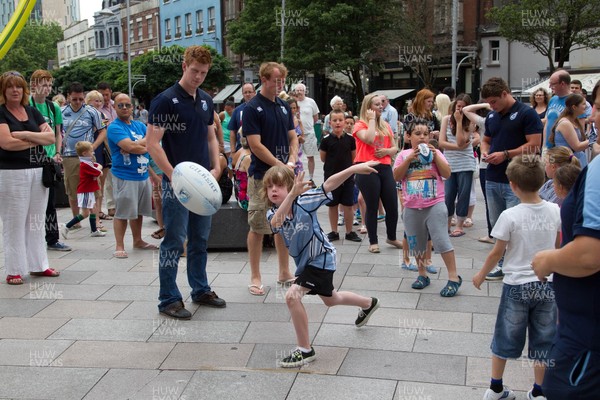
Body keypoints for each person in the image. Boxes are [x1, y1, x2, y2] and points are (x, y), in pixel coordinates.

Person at [265, 164, 381, 368]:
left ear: (291, 186)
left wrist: (353, 169)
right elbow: (276, 223)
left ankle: (305, 350)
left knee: (292, 296)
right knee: (331, 299)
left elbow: (328, 184)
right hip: (307, 263)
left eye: (279, 185)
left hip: (322, 258)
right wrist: (290, 196)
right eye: (270, 187)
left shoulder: (305, 201)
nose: (274, 190)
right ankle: (368, 303)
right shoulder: (272, 213)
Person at [473, 155, 561, 400]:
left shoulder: (509, 215)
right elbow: (556, 245)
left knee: (504, 335)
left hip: (516, 286)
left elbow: (497, 251)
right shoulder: (555, 210)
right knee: (543, 340)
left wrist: (481, 275)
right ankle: (539, 391)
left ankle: (496, 388)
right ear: (542, 179)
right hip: (546, 285)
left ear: (512, 185)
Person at [147, 45, 226, 319]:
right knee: (173, 240)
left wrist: (216, 165)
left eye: (203, 73)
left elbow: (210, 136)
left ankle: (200, 289)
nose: (198, 77)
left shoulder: (205, 100)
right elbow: (152, 143)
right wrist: (172, 175)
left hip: (202, 181)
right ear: (184, 66)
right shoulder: (165, 100)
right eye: (194, 71)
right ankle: (168, 298)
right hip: (176, 182)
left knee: (200, 239)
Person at [532, 117, 600, 398]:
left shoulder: (596, 170)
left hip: (586, 337)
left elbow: (589, 255)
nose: (592, 117)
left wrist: (548, 260)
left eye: (597, 107)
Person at [241, 62, 299, 296]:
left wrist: (292, 161)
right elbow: (255, 145)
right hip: (261, 177)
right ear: (263, 80)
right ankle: (255, 276)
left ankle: (284, 271)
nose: (280, 85)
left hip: (283, 174)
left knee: (283, 223)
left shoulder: (284, 106)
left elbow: (293, 137)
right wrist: (280, 165)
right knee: (258, 226)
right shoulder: (253, 108)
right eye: (276, 80)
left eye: (282, 80)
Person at [480, 77, 543, 280]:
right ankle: (502, 262)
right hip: (493, 176)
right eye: (489, 102)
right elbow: (486, 140)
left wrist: (506, 154)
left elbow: (534, 145)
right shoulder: (492, 116)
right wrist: (485, 150)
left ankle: (521, 264)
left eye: (494, 101)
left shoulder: (527, 113)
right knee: (497, 224)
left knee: (518, 225)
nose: (491, 106)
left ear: (505, 94)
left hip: (518, 178)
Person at [0, 70, 59, 285]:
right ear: (3, 90)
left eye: (18, 86)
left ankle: (38, 264)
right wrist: (37, 139)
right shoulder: (1, 113)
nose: (14, 90)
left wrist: (24, 135)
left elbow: (51, 137)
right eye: (10, 86)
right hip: (11, 173)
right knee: (14, 221)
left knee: (36, 220)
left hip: (38, 171)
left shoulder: (33, 111)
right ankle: (15, 269)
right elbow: (6, 143)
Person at [393, 121, 462, 297]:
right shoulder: (403, 155)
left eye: (426, 133)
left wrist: (436, 156)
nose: (422, 136)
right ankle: (422, 274)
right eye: (417, 133)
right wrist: (408, 160)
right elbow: (397, 176)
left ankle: (453, 277)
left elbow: (447, 173)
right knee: (416, 242)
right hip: (411, 206)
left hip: (435, 204)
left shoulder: (436, 152)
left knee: (441, 240)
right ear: (409, 137)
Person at [107, 94, 156, 258]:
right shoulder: (114, 127)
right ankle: (119, 245)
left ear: (132, 107)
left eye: (127, 105)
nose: (125, 108)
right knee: (122, 212)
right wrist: (139, 146)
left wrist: (137, 146)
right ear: (115, 107)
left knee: (139, 211)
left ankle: (138, 240)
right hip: (124, 175)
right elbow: (131, 147)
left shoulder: (139, 125)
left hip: (142, 174)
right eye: (120, 105)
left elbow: (150, 142)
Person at [352, 93, 402, 253]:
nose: (380, 106)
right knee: (371, 205)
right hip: (366, 167)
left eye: (381, 103)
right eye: (376, 104)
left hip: (385, 166)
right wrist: (372, 120)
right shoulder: (359, 125)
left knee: (392, 205)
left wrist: (387, 150)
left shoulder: (386, 125)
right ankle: (373, 241)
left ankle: (391, 237)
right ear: (368, 108)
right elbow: (369, 139)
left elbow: (395, 147)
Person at [29, 69, 71, 252]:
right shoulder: (26, 106)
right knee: (32, 201)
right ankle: (32, 237)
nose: (47, 89)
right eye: (43, 85)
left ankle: (52, 238)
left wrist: (58, 152)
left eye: (49, 85)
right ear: (33, 86)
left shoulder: (53, 107)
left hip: (50, 159)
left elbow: (58, 133)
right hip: (31, 158)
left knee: (50, 201)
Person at [61, 82, 106, 229]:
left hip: (87, 157)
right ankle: (76, 220)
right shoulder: (61, 111)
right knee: (72, 188)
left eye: (81, 99)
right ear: (68, 97)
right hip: (69, 155)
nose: (78, 102)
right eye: (74, 99)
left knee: (95, 188)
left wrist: (94, 146)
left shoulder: (91, 111)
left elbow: (102, 130)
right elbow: (56, 132)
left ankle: (96, 219)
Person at [319, 109, 361, 243]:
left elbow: (353, 157)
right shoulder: (325, 140)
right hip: (331, 178)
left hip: (348, 177)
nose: (338, 123)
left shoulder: (350, 139)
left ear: (344, 122)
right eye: (335, 120)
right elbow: (323, 158)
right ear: (330, 122)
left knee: (348, 204)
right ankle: (334, 231)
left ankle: (349, 232)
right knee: (332, 205)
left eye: (340, 120)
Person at [439, 95, 477, 237]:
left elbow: (461, 141)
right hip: (449, 163)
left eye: (463, 106)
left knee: (463, 194)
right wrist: (457, 147)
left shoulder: (471, 122)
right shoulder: (446, 120)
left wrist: (460, 122)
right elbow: (442, 142)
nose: (460, 109)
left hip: (466, 163)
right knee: (448, 195)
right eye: (458, 106)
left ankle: (460, 225)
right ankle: (447, 224)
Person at [60, 141, 106, 238]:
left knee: (93, 210)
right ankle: (67, 226)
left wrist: (98, 167)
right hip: (85, 191)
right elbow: (99, 171)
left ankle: (94, 230)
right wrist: (99, 168)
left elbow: (97, 167)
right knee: (85, 213)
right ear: (85, 153)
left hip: (89, 190)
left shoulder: (87, 162)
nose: (93, 153)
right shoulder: (85, 164)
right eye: (91, 151)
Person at [85, 90, 111, 231]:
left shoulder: (103, 115)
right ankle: (92, 215)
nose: (99, 103)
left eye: (100, 100)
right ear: (88, 101)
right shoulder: (85, 114)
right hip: (90, 149)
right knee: (91, 184)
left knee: (101, 183)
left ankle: (99, 211)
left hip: (102, 149)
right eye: (96, 100)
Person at [548, 93, 589, 168]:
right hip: (568, 165)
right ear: (574, 107)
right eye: (583, 104)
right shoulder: (565, 123)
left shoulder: (574, 120)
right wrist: (594, 140)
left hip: (576, 161)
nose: (586, 106)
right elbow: (577, 146)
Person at [97, 82, 118, 219]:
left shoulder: (116, 105)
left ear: (110, 92)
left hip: (120, 140)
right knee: (109, 177)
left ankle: (120, 204)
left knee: (119, 177)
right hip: (106, 144)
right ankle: (111, 206)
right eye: (102, 94)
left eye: (106, 94)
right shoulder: (98, 109)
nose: (105, 97)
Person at [294, 83, 320, 186]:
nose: (299, 92)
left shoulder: (311, 102)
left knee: (310, 157)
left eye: (301, 90)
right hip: (296, 135)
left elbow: (315, 117)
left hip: (309, 134)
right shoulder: (294, 103)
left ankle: (311, 178)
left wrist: (308, 127)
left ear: (305, 91)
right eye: (297, 90)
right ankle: (297, 178)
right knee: (295, 157)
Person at [544, 69, 571, 149]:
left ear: (562, 84)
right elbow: (547, 123)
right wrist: (544, 146)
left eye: (552, 84)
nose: (549, 86)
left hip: (564, 150)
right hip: (548, 148)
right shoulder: (553, 99)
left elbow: (580, 127)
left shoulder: (575, 100)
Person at [228, 83, 256, 152]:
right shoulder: (237, 110)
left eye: (250, 92)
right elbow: (232, 132)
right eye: (245, 92)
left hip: (258, 149)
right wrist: (233, 151)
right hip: (241, 149)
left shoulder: (261, 108)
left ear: (254, 93)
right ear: (242, 94)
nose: (248, 94)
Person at [285, 96, 304, 174]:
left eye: (294, 108)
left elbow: (303, 138)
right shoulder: (285, 120)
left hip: (297, 150)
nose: (292, 110)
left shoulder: (299, 121)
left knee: (298, 172)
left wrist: (300, 138)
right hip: (287, 150)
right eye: (290, 108)